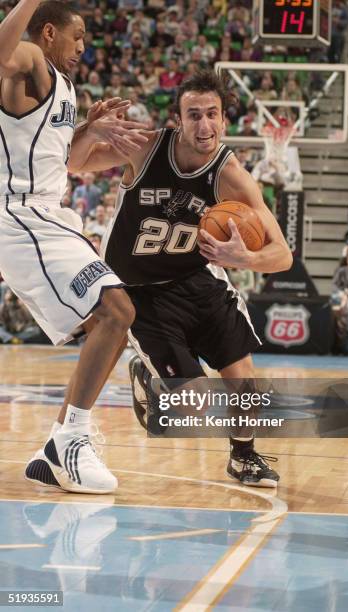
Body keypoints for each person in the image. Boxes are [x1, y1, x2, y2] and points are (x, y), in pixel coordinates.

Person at [71, 69, 293, 488]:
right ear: (177, 119)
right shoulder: (148, 148)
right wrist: (88, 129)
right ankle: (147, 376)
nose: (204, 125)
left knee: (244, 381)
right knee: (194, 408)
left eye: (212, 114)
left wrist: (243, 257)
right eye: (194, 115)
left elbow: (282, 256)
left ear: (225, 120)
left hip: (197, 279)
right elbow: (73, 161)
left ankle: (243, 457)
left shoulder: (231, 177)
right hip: (139, 292)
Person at [0, 0, 148, 494]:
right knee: (115, 309)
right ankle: (70, 441)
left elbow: (67, 164)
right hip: (20, 215)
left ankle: (60, 445)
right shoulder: (29, 59)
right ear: (47, 33)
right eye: (77, 35)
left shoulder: (63, 87)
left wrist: (90, 130)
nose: (84, 46)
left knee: (116, 318)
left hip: (47, 213)